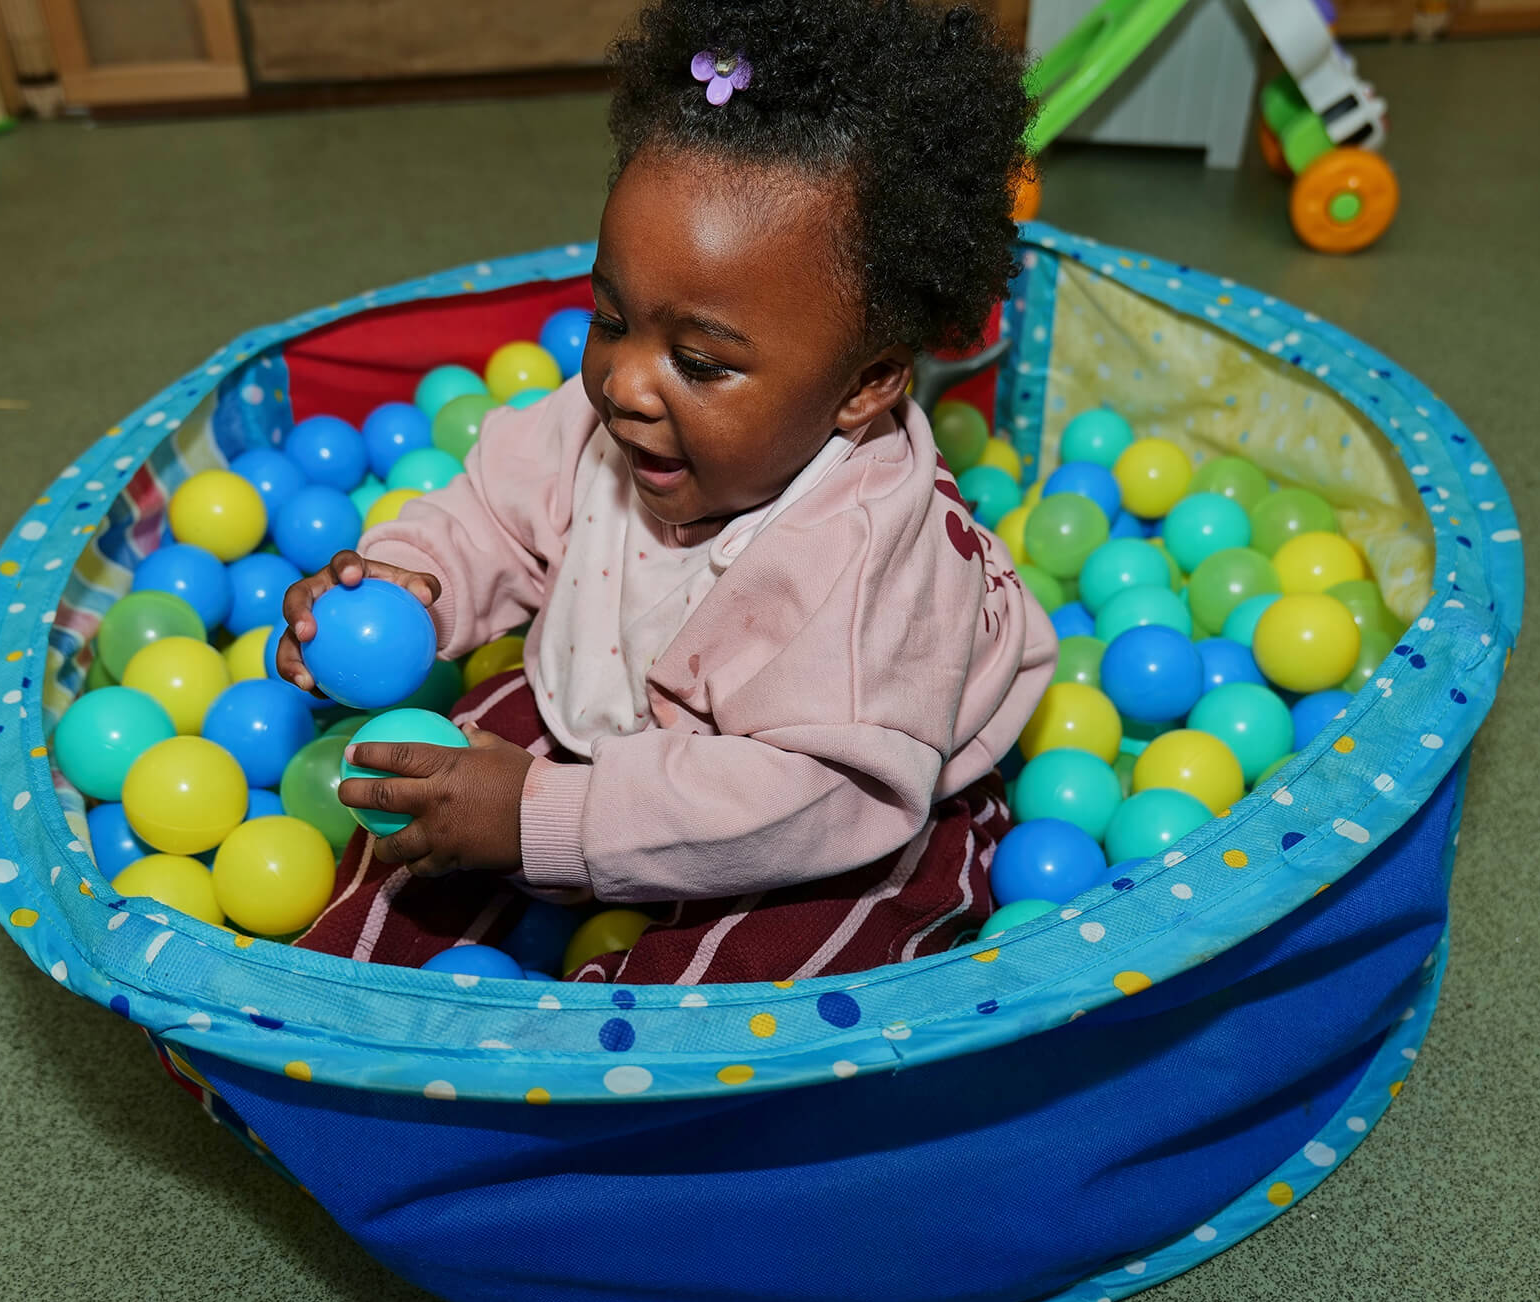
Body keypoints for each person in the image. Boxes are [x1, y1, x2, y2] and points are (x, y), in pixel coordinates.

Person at [275, 0, 1054, 985]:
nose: (626, 385)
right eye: (610, 319)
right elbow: (492, 513)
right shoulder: (603, 420)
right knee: (424, 806)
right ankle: (340, 1006)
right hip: (613, 713)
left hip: (841, 793)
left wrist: (541, 815)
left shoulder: (867, 563)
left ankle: (608, 1057)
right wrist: (407, 581)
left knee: (788, 959)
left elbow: (814, 796)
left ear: (863, 384)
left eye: (698, 361)